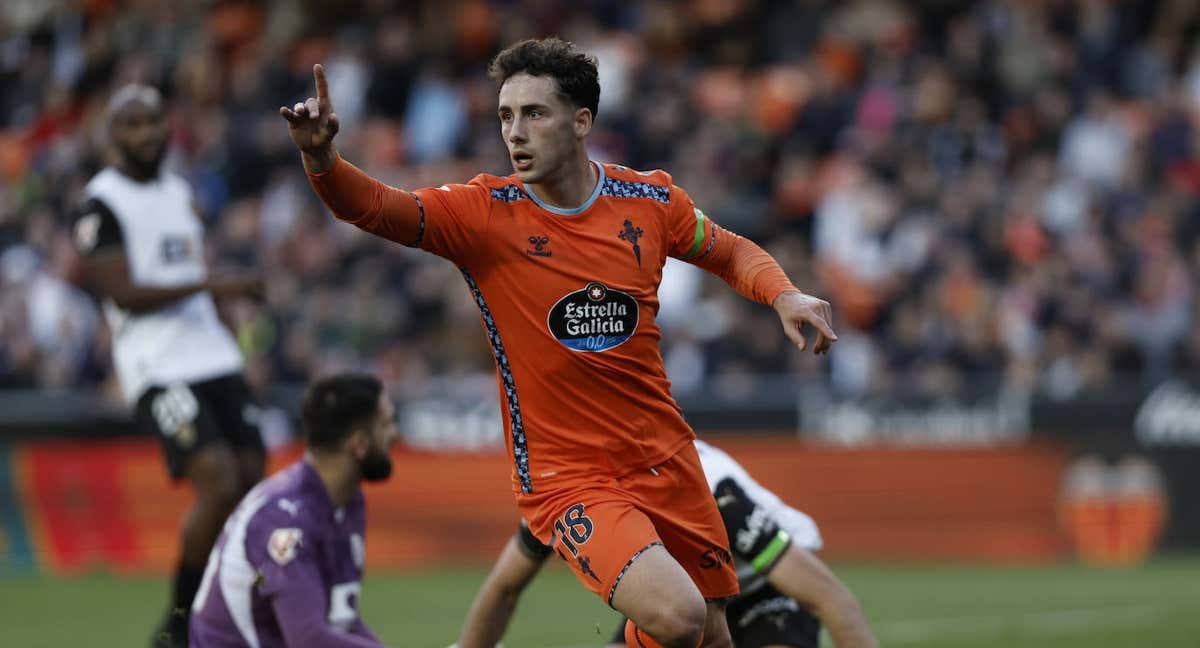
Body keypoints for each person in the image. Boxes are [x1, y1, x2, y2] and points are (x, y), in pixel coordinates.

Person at [280, 37, 837, 648]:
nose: (514, 132)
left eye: (533, 114)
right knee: (675, 617)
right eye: (504, 116)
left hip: (665, 453)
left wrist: (782, 293)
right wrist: (323, 162)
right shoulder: (482, 214)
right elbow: (377, 208)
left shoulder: (649, 201)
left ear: (581, 122)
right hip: (569, 475)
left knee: (710, 633)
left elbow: (728, 249)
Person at [71, 83, 266, 647]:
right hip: (157, 363)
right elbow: (123, 293)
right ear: (112, 134)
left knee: (253, 481)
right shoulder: (99, 203)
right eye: (131, 124)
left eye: (153, 122)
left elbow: (191, 280)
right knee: (219, 479)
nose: (146, 134)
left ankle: (232, 608)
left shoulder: (180, 192)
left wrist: (234, 340)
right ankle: (178, 623)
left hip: (213, 354)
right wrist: (218, 283)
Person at [455, 439, 877, 648]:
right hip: (680, 597)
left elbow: (832, 600)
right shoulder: (571, 491)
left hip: (761, 588)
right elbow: (505, 586)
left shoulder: (718, 494)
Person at [189, 372, 398, 647]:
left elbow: (343, 619)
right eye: (386, 424)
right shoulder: (283, 520)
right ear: (358, 444)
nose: (394, 434)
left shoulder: (347, 501)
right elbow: (308, 640)